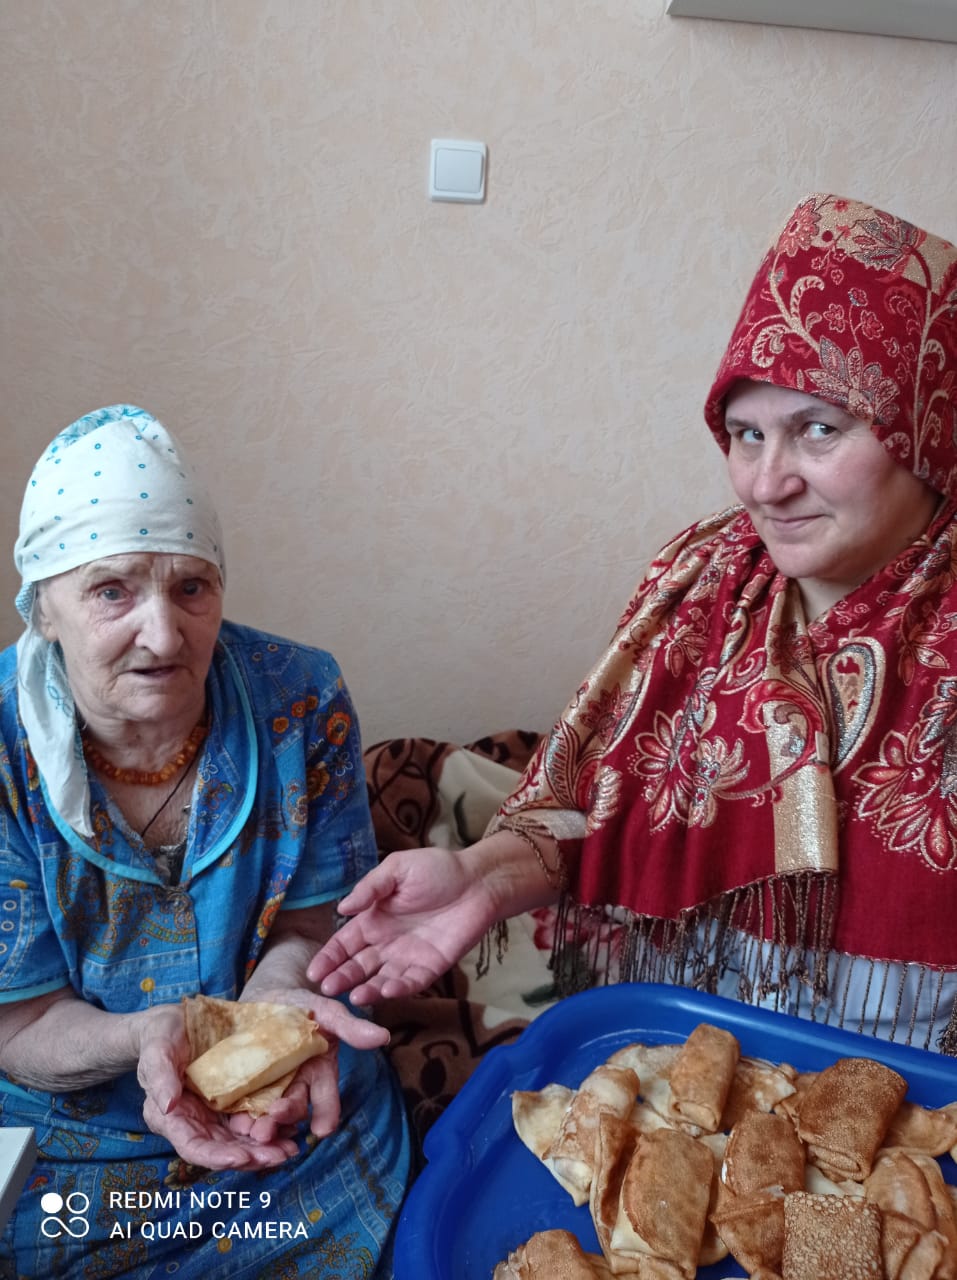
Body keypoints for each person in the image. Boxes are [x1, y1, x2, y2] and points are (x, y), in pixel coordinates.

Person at [311, 192, 957, 1054]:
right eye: (744, 434)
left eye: (816, 429)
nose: (766, 484)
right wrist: (482, 876)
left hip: (916, 1086)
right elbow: (590, 810)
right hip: (685, 1059)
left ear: (921, 431)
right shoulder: (698, 578)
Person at [0, 406, 411, 1279]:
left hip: (284, 1105)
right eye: (112, 591)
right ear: (43, 610)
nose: (163, 633)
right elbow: (19, 1021)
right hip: (71, 1138)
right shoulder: (3, 750)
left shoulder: (300, 695)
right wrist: (152, 1035)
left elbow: (312, 926)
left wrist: (275, 1011)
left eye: (191, 587)